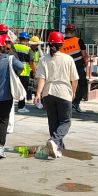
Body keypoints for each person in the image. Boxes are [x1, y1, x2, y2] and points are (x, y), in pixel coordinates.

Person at [35, 31, 80, 159]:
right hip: (63, 92)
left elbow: (42, 78)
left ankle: (57, 148)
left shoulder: (44, 59)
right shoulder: (68, 59)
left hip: (48, 93)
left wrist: (38, 94)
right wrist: (74, 92)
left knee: (53, 121)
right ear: (62, 44)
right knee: (65, 121)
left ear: (49, 44)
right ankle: (54, 141)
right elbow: (74, 79)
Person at [64, 23, 90, 113]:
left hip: (66, 68)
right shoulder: (79, 41)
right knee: (82, 84)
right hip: (78, 67)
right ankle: (76, 102)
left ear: (65, 31)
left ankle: (66, 102)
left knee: (67, 85)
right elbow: (84, 54)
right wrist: (85, 62)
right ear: (74, 31)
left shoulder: (62, 42)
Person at [13, 32, 35, 113]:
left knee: (12, 88)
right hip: (24, 73)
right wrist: (35, 72)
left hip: (14, 71)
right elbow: (31, 62)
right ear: (26, 40)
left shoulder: (14, 46)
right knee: (23, 90)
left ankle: (10, 106)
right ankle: (21, 107)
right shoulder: (28, 49)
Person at [27, 35, 42, 102]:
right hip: (29, 69)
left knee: (37, 84)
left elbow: (41, 58)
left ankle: (37, 97)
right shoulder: (28, 50)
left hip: (37, 69)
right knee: (29, 84)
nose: (36, 46)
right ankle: (29, 98)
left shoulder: (39, 50)